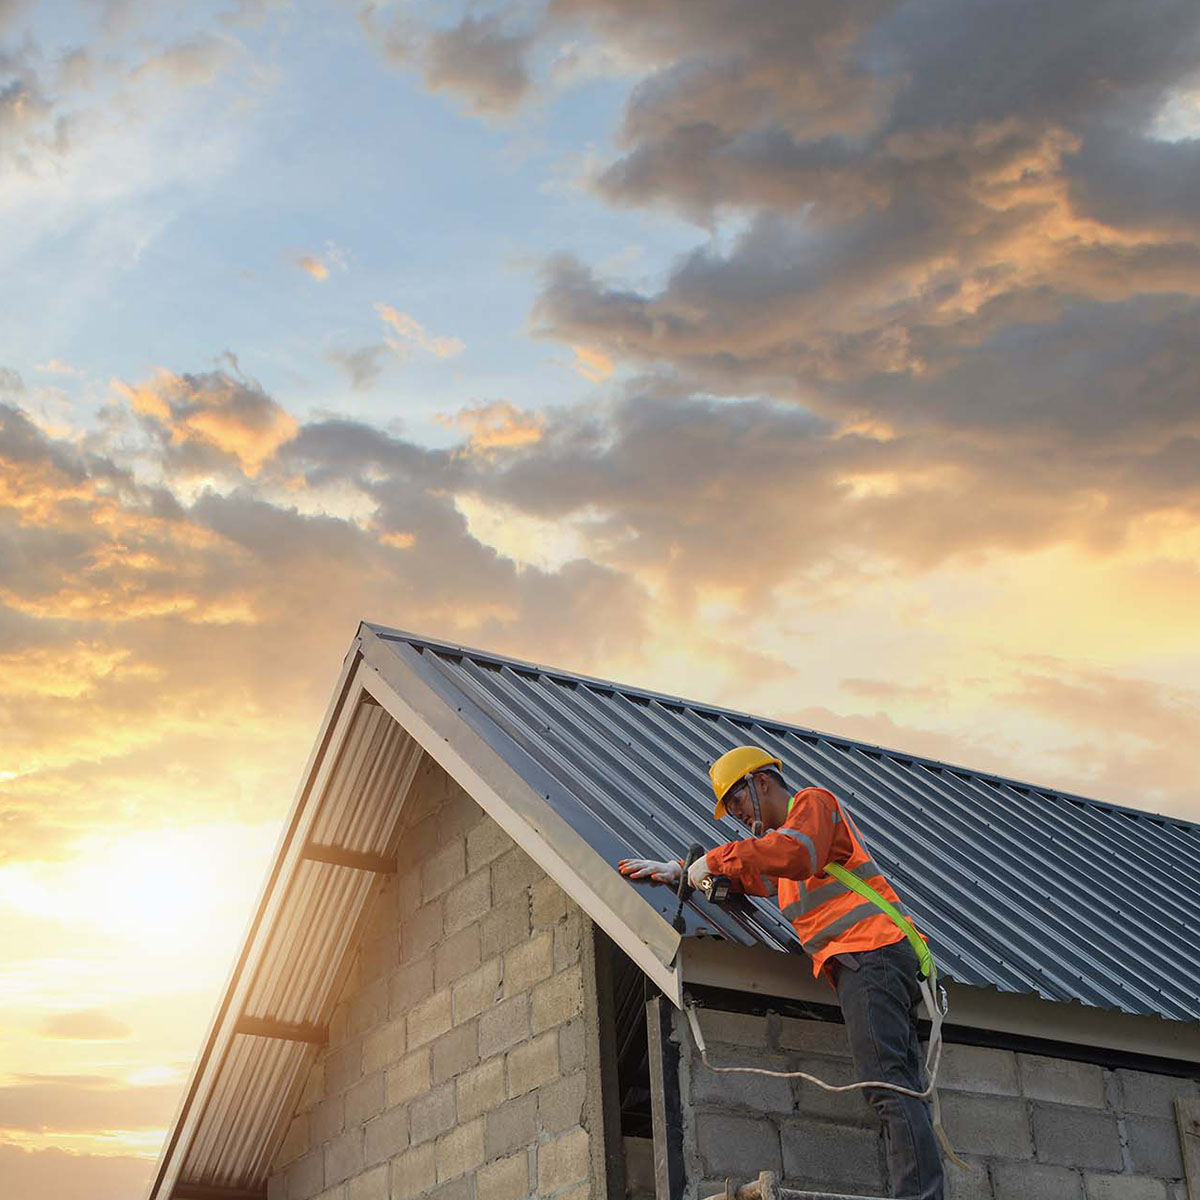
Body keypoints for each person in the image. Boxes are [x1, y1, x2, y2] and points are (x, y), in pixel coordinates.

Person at [618, 745, 944, 1200]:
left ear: (763, 782)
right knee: (896, 1087)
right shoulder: (783, 855)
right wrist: (682, 872)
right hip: (869, 961)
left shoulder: (813, 806)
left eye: (737, 801)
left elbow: (791, 853)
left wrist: (711, 861)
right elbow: (750, 874)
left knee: (886, 1085)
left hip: (871, 954)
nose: (737, 815)